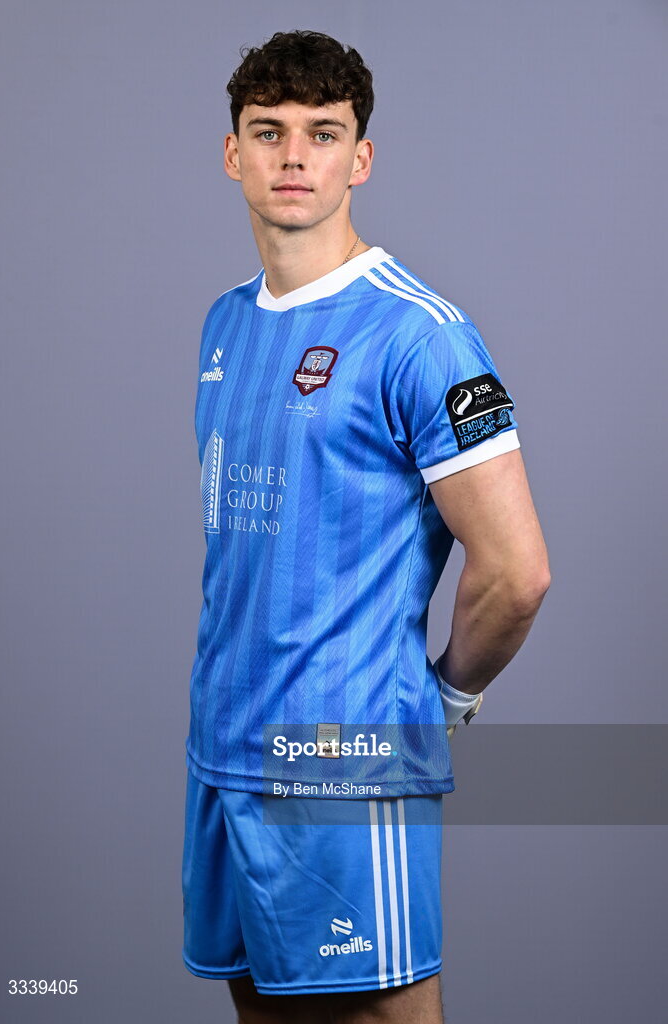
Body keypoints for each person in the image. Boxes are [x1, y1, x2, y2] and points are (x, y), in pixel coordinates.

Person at [181, 29, 550, 1024]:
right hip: (223, 750)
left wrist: (445, 700)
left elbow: (515, 571)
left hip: (346, 759)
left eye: (323, 132)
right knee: (262, 1009)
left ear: (361, 158)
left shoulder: (420, 335)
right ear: (232, 153)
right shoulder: (225, 324)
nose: (294, 156)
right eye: (269, 132)